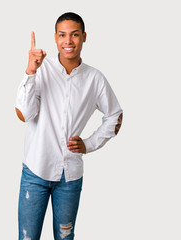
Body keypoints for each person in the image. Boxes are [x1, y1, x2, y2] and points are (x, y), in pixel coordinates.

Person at [15, 12, 123, 240]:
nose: (68, 41)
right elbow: (24, 114)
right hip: (35, 170)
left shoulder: (95, 78)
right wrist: (30, 71)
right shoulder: (41, 69)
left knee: (65, 237)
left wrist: (90, 143)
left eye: (74, 35)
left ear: (84, 37)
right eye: (62, 35)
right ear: (55, 38)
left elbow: (115, 114)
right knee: (27, 237)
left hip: (70, 175)